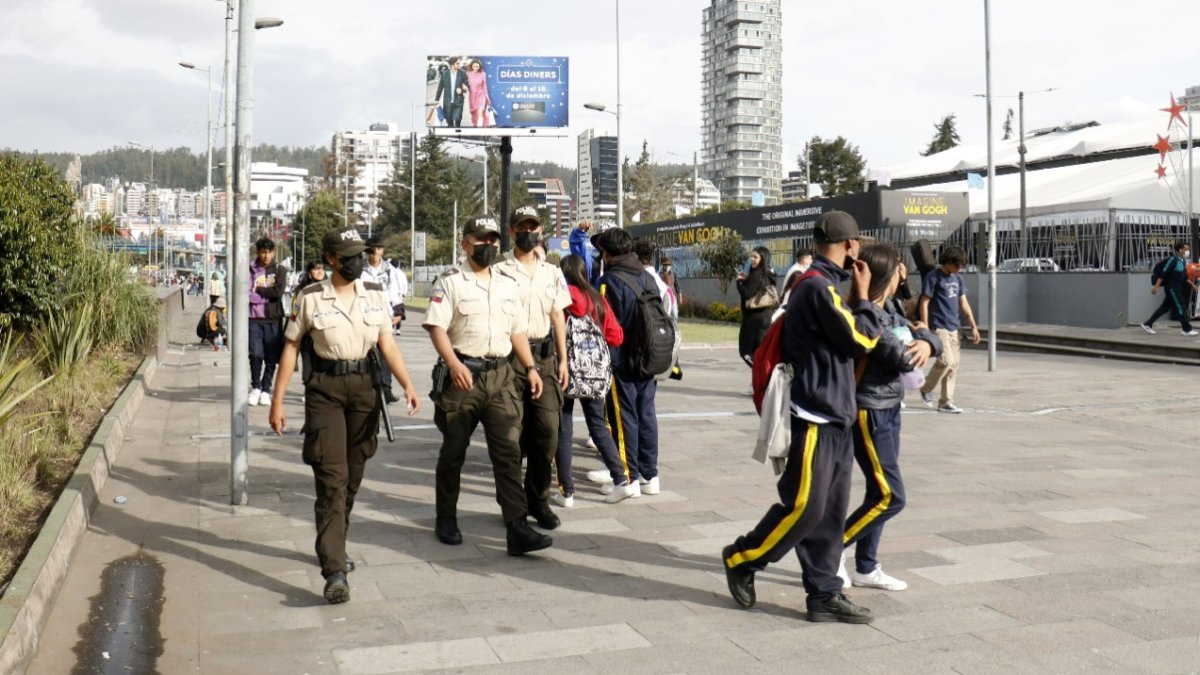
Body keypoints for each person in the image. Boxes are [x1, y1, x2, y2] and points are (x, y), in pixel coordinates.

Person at [721, 210, 882, 624]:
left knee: (829, 511)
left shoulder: (823, 286)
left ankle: (824, 592)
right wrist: (864, 296)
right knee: (805, 508)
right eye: (857, 244)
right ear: (850, 245)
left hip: (835, 415)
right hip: (815, 416)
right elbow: (863, 337)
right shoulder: (817, 288)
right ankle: (742, 557)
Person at [268, 227, 421, 604]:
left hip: (365, 390)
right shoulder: (309, 298)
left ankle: (336, 539)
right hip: (325, 391)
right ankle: (334, 570)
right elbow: (291, 347)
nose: (358, 261)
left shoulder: (375, 294)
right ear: (332, 259)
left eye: (360, 254)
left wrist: (408, 384)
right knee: (332, 478)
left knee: (353, 475)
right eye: (350, 256)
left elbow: (386, 342)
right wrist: (277, 401)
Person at [422, 215, 554, 555]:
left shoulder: (508, 282)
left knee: (508, 453)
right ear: (465, 243)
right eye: (481, 240)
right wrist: (452, 363)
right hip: (462, 376)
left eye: (493, 240)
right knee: (454, 452)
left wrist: (532, 368)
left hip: (501, 377)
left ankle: (517, 527)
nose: (488, 246)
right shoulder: (451, 281)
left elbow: (518, 331)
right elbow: (436, 326)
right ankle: (446, 518)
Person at [840, 244, 940, 592]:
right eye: (901, 267)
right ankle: (831, 548)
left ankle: (866, 567)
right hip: (870, 411)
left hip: (889, 407)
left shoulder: (891, 309)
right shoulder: (869, 316)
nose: (905, 273)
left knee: (877, 491)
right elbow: (903, 357)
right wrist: (924, 343)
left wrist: (927, 341)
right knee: (890, 496)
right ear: (889, 271)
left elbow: (926, 338)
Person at [493, 206, 571, 530]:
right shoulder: (498, 270)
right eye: (522, 227)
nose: (528, 232)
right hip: (509, 360)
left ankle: (539, 500)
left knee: (548, 432)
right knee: (510, 437)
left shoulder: (552, 272)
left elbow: (558, 317)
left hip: (545, 357)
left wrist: (564, 359)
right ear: (511, 232)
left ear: (540, 231)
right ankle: (513, 507)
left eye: (533, 227)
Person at [589, 228, 661, 501]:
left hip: (621, 360)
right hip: (649, 358)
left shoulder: (609, 281)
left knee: (623, 418)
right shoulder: (646, 277)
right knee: (647, 415)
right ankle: (649, 475)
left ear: (607, 254)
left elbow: (602, 322)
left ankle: (628, 478)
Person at [553, 254, 625, 507]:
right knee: (598, 426)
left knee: (564, 426)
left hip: (566, 371)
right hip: (595, 374)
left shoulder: (561, 297)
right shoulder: (598, 299)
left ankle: (566, 491)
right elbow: (617, 337)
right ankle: (620, 480)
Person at [918, 245, 980, 414]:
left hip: (954, 326)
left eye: (960, 266)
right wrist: (925, 326)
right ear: (948, 262)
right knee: (946, 361)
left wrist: (973, 326)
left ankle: (946, 402)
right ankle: (925, 388)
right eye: (956, 265)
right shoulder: (934, 277)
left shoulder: (957, 279)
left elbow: (964, 303)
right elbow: (924, 302)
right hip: (939, 326)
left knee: (954, 366)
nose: (958, 269)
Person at [362, 237, 408, 403]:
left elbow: (395, 292)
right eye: (372, 250)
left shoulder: (390, 270)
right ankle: (368, 387)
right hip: (364, 315)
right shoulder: (360, 270)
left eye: (379, 249)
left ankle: (386, 388)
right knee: (365, 353)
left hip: (384, 315)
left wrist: (399, 312)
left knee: (386, 352)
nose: (376, 254)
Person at [248, 238, 288, 407]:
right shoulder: (250, 269)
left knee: (271, 358)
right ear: (258, 252)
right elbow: (246, 294)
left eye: (269, 252)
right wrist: (265, 297)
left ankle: (266, 389)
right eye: (262, 252)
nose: (266, 256)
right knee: (256, 354)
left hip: (273, 319)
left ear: (273, 253)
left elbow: (278, 292)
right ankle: (255, 386)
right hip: (253, 319)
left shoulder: (279, 270)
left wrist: (258, 290)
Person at [1142, 241, 1198, 337]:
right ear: (1180, 250)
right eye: (1186, 249)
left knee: (1164, 308)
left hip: (1178, 288)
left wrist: (1193, 285)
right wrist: (1156, 286)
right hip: (1172, 289)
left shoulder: (1182, 261)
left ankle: (1148, 324)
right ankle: (1186, 329)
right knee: (1181, 307)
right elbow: (1163, 273)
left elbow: (1184, 277)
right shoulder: (1173, 260)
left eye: (1188, 249)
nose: (1188, 251)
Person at [736, 246, 779, 366]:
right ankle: (764, 379)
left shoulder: (757, 273)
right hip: (766, 317)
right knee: (758, 352)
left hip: (753, 319)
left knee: (745, 352)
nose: (752, 259)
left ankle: (760, 374)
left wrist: (739, 282)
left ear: (763, 258)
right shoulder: (769, 273)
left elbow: (747, 293)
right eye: (751, 256)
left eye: (755, 257)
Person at [434, 56, 468, 128]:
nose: (459, 65)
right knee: (449, 123)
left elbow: (466, 87)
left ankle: (458, 134)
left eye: (459, 63)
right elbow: (440, 88)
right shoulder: (445, 74)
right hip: (448, 102)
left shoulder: (462, 73)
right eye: (457, 63)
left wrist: (461, 90)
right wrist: (436, 100)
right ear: (452, 65)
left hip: (459, 101)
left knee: (458, 120)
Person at [465, 59, 492, 127]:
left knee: (480, 112)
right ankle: (476, 125)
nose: (476, 68)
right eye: (474, 66)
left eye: (477, 66)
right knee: (474, 113)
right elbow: (463, 82)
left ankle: (479, 129)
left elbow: (484, 86)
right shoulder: (468, 73)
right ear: (472, 66)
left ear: (480, 66)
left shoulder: (483, 74)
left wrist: (486, 97)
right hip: (472, 95)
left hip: (481, 95)